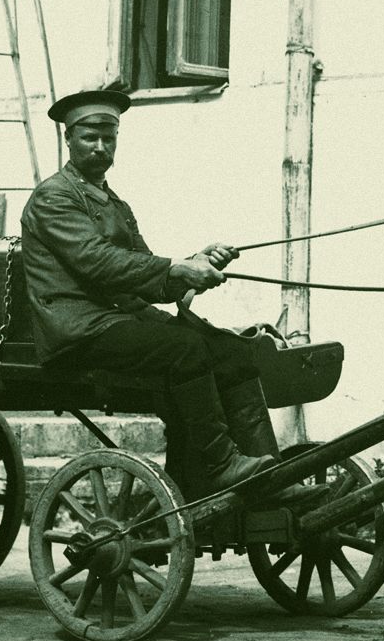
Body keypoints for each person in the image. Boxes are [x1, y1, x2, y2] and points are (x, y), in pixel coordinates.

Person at [19, 87, 282, 499]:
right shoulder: (53, 197)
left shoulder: (114, 202)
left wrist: (198, 262)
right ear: (68, 139)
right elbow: (97, 261)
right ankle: (219, 466)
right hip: (79, 329)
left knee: (233, 352)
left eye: (110, 138)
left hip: (119, 321)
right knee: (184, 349)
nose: (101, 147)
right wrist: (177, 268)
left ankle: (269, 480)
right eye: (90, 137)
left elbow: (144, 273)